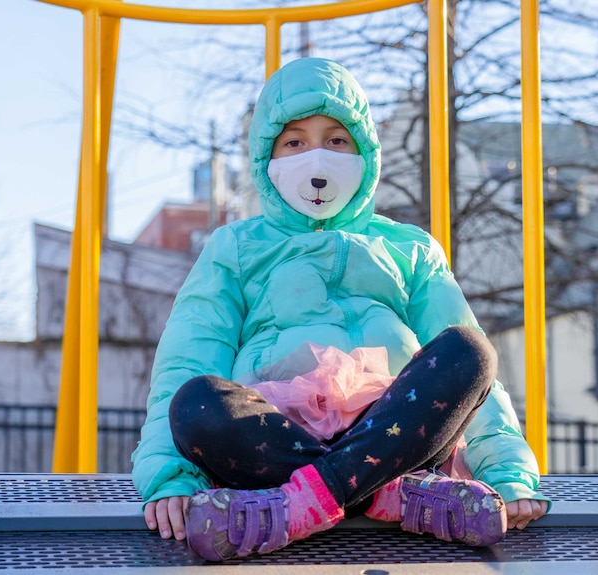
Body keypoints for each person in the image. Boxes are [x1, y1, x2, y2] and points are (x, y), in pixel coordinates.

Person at [131, 57, 550, 562]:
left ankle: (296, 508)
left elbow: (472, 371)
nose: (317, 159)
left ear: (364, 152)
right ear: (268, 158)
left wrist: (506, 471)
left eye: (336, 140)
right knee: (196, 402)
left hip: (398, 436)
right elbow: (189, 356)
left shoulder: (409, 248)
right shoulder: (235, 247)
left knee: (470, 352)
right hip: (273, 442)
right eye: (294, 142)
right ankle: (386, 498)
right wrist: (170, 476)